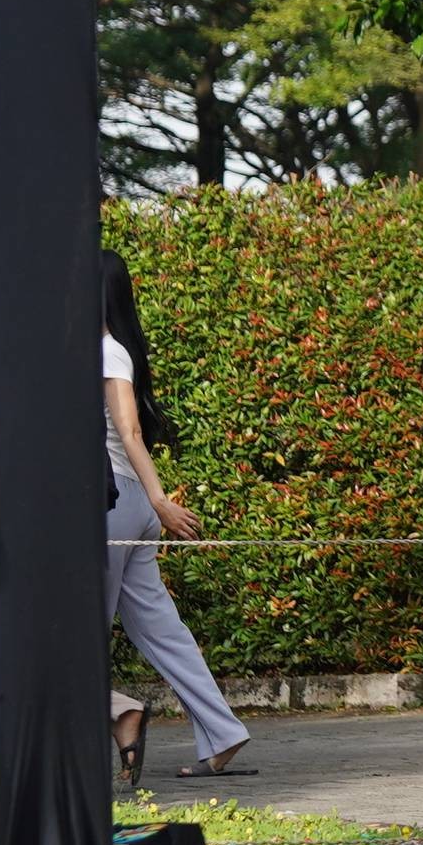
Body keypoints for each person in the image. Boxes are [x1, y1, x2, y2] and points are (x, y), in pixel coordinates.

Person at [102, 247, 254, 780]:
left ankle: (120, 710)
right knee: (164, 632)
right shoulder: (114, 350)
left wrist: (161, 500)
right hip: (129, 507)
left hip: (112, 504)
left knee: (66, 636)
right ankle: (224, 733)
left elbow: (129, 432)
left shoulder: (104, 352)